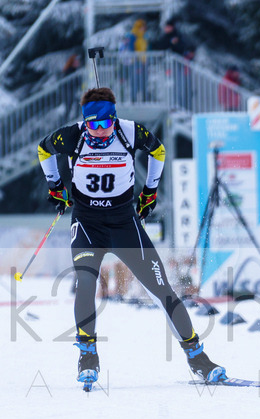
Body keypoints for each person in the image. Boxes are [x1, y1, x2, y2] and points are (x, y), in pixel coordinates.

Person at [36, 86, 225, 387]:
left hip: (125, 223)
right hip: (88, 223)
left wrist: (150, 191)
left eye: (105, 123)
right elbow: (44, 149)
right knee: (86, 282)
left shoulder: (129, 132)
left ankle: (197, 358)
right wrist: (55, 186)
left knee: (162, 289)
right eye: (92, 124)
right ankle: (88, 356)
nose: (98, 131)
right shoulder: (72, 135)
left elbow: (158, 151)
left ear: (114, 118)